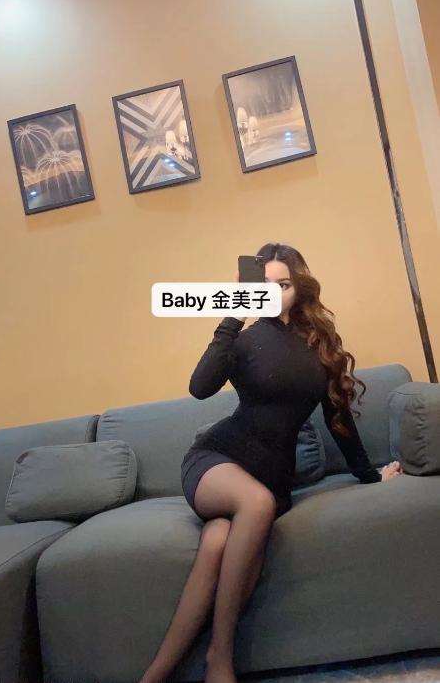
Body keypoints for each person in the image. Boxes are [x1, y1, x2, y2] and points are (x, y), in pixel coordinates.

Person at [139, 242, 403, 683]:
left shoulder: (319, 345)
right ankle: (220, 660)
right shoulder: (243, 340)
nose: (274, 293)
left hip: (270, 478)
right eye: (263, 286)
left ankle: (154, 676)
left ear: (299, 288)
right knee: (256, 503)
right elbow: (200, 387)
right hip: (216, 461)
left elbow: (338, 419)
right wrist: (233, 311)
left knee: (218, 541)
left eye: (283, 284)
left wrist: (370, 475)